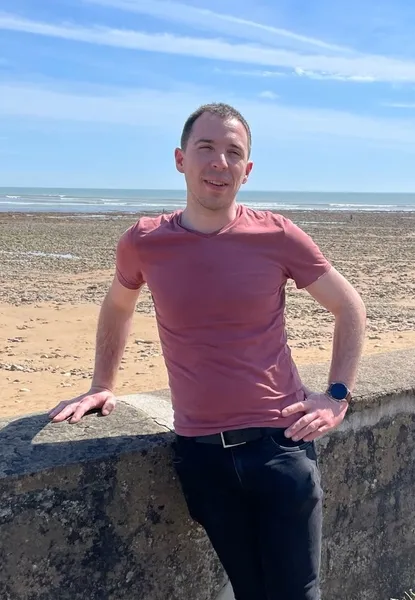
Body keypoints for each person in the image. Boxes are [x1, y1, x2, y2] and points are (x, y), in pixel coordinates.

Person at [48, 102, 367, 600]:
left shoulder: (277, 234)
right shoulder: (145, 241)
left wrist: (337, 396)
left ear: (247, 169)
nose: (220, 162)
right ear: (181, 159)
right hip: (201, 455)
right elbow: (117, 307)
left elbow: (349, 308)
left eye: (233, 152)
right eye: (206, 148)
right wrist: (102, 385)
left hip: (279, 446)